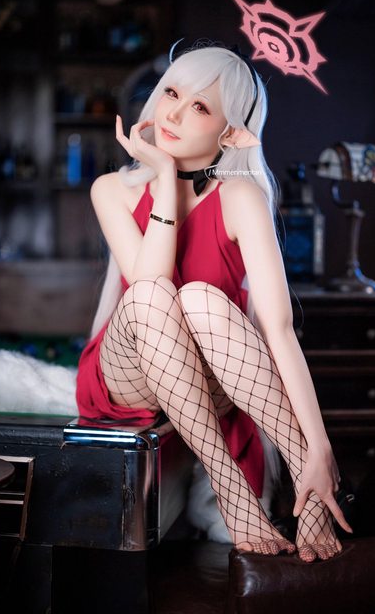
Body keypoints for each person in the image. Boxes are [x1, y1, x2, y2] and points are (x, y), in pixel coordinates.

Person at [76, 42, 353, 563]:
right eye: (172, 94)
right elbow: (150, 285)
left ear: (230, 132)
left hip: (213, 374)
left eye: (200, 106)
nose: (174, 114)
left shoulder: (242, 196)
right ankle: (230, 490)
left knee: (201, 298)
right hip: (128, 374)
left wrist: (318, 447)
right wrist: (164, 178)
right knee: (156, 293)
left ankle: (311, 483)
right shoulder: (111, 190)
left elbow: (278, 329)